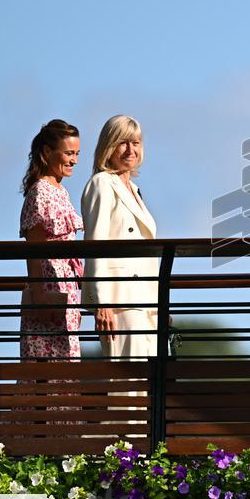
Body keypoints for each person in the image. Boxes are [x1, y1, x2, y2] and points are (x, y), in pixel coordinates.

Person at [81, 115, 159, 358]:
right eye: (123, 142)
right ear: (109, 146)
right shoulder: (102, 183)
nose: (130, 150)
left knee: (149, 382)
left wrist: (159, 301)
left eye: (135, 143)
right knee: (127, 382)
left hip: (146, 299)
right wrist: (102, 302)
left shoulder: (134, 190)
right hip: (121, 300)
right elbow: (95, 244)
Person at [19, 119, 84, 359]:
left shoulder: (61, 191)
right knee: (47, 369)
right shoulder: (40, 191)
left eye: (77, 153)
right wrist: (38, 296)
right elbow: (33, 249)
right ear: (48, 152)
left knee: (67, 365)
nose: (74, 160)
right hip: (47, 288)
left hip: (65, 287)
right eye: (68, 153)